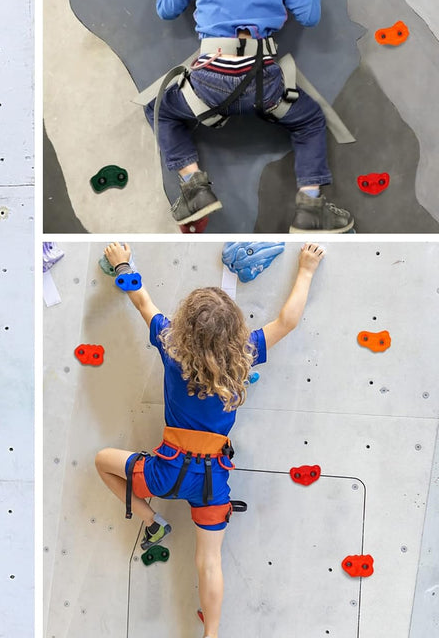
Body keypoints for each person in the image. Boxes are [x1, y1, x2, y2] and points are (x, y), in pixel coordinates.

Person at [95, 241, 325, 638]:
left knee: (102, 460)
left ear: (185, 324)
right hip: (211, 482)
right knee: (210, 562)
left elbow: (142, 302)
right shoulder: (246, 351)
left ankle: (152, 522)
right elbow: (287, 321)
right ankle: (212, 634)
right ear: (235, 328)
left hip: (165, 472)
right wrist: (305, 270)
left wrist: (123, 264)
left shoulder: (171, 347)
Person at [148, 0, 353, 233]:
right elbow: (309, 15)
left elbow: (167, 8)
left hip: (207, 85)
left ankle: (194, 187)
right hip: (265, 84)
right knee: (309, 120)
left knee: (161, 110)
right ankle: (310, 207)